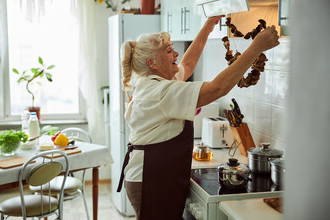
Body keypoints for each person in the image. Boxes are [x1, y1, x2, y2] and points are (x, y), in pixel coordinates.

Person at [116, 15, 280, 220]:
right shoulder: (161, 91)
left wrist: (207, 26)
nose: (175, 52)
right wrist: (256, 47)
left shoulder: (154, 82)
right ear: (152, 63)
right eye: (168, 51)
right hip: (152, 179)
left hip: (152, 176)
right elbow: (218, 88)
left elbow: (189, 62)